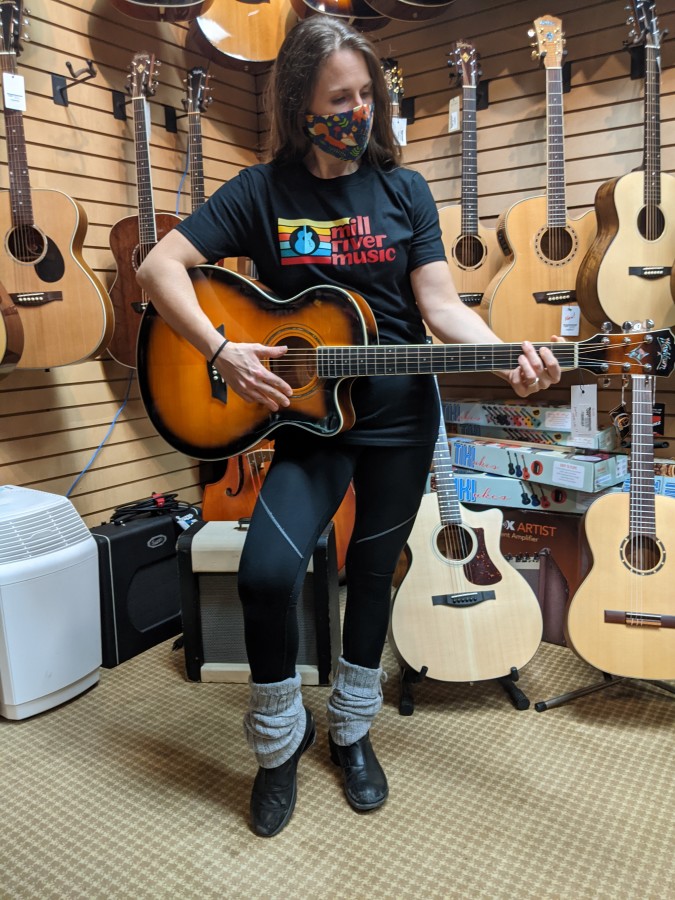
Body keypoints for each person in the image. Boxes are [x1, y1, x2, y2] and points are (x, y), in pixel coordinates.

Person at [136, 14, 561, 838]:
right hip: (310, 424)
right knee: (265, 574)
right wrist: (221, 350)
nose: (358, 111)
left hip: (400, 419)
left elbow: (438, 305)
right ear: (300, 104)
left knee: (371, 574)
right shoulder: (260, 192)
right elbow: (160, 268)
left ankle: (351, 733)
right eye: (340, 98)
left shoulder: (404, 191)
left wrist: (504, 351)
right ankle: (277, 742)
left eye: (367, 94)